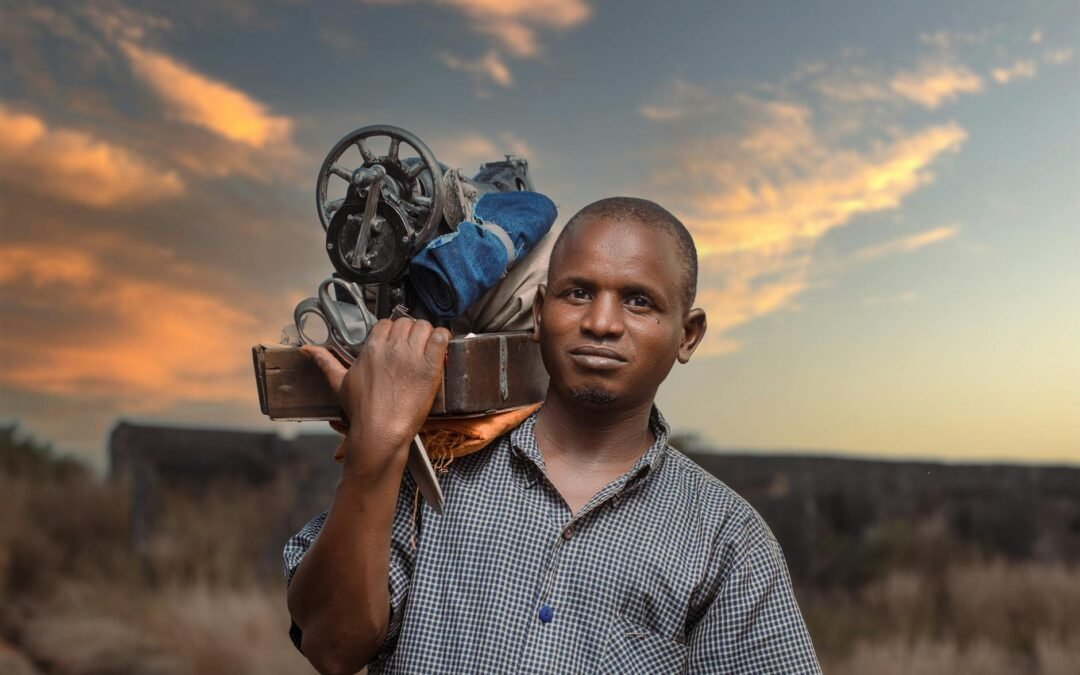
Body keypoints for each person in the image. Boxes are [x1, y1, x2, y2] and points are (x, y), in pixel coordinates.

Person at [285, 197, 822, 674]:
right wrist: (375, 445)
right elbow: (333, 648)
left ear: (688, 334)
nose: (602, 323)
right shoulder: (432, 466)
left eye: (639, 301)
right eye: (578, 293)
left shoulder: (725, 540)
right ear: (540, 312)